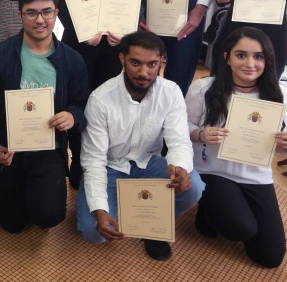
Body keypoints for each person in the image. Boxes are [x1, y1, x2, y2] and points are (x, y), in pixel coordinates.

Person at [77, 31, 204, 261]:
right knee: (93, 232)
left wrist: (180, 167)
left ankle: (153, 225)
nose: (144, 72)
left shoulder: (171, 92)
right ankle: (126, 211)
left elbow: (179, 141)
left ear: (161, 63)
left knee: (193, 185)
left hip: (148, 164)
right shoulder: (100, 99)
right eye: (135, 63)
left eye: (152, 64)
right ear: (122, 59)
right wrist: (100, 210)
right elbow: (94, 160)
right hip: (109, 168)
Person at [186, 27, 287, 267]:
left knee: (269, 257)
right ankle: (207, 211)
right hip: (212, 171)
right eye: (241, 55)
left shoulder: (282, 95)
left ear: (268, 60)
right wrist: (200, 133)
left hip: (255, 175)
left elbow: (276, 147)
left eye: (258, 56)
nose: (250, 63)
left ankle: (227, 207)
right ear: (227, 58)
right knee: (240, 228)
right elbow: (180, 128)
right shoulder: (204, 88)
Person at [0, 0, 88, 233]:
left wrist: (72, 115)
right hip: (9, 148)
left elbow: (81, 104)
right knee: (12, 224)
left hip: (48, 149)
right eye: (31, 13)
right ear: (20, 15)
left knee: (48, 216)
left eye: (47, 12)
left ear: (56, 14)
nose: (40, 20)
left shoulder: (72, 60)